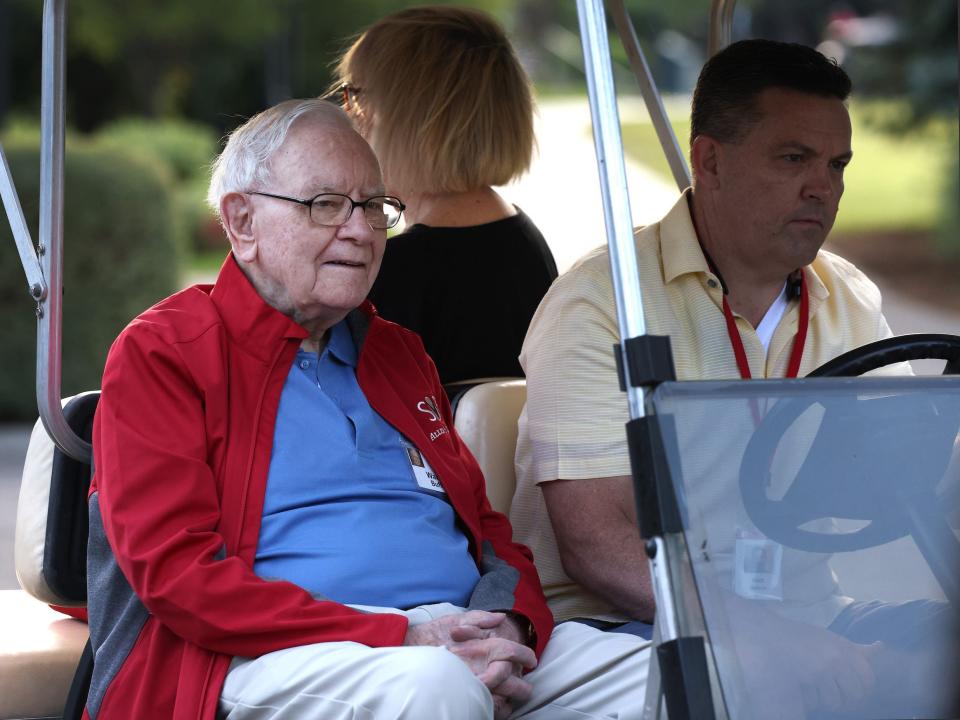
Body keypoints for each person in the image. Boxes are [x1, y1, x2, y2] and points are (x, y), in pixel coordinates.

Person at [86, 98, 648, 720]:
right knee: (435, 689)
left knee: (683, 671)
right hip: (267, 651)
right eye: (325, 205)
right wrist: (402, 638)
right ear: (241, 221)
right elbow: (177, 575)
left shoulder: (397, 352)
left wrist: (511, 629)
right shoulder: (165, 352)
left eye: (374, 207)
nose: (359, 230)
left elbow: (492, 536)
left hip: (455, 635)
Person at [510, 39, 949, 718]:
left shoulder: (848, 297)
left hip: (812, 616)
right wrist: (765, 640)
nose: (823, 187)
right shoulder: (602, 302)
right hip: (621, 628)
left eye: (836, 165)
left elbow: (914, 472)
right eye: (793, 159)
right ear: (709, 160)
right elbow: (595, 546)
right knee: (752, 683)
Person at [336, 6, 558, 385]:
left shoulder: (394, 276)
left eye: (356, 96)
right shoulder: (527, 245)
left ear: (411, 119)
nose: (350, 115)